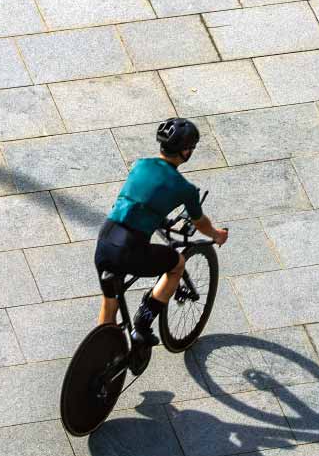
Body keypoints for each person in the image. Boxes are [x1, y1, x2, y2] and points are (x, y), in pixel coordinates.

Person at [93, 117, 228, 348]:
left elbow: (141, 198)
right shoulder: (184, 189)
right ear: (186, 151)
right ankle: (143, 324)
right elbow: (200, 223)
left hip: (105, 241)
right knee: (176, 264)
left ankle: (101, 354)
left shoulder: (140, 164)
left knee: (110, 305)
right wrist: (216, 234)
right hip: (130, 249)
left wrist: (158, 217)